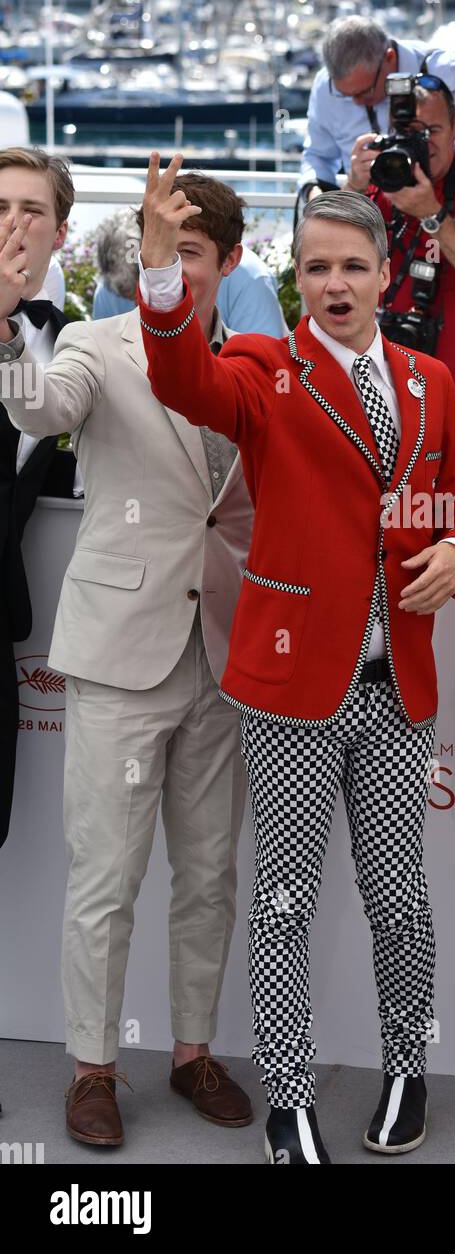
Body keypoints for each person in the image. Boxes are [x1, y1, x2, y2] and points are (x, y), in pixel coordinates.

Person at [136, 164, 455, 1164]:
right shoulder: (261, 368)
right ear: (297, 281)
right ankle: (287, 1095)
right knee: (285, 897)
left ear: (386, 274)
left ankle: (407, 1074)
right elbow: (180, 379)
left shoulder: (427, 385)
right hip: (291, 694)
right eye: (316, 267)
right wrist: (164, 271)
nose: (335, 283)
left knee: (400, 899)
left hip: (398, 694)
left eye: (352, 265)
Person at [0, 167, 256, 1148]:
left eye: (187, 251)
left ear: (229, 264)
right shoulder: (93, 346)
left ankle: (192, 1052)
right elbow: (35, 409)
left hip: (221, 653)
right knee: (106, 875)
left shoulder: (252, 360)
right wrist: (1, 325)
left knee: (209, 875)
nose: (170, 268)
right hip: (119, 651)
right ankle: (93, 1067)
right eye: (156, 248)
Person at [345, 75, 455, 473]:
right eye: (408, 132)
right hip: (375, 385)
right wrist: (354, 187)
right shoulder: (380, 185)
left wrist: (431, 213)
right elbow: (328, 261)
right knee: (375, 519)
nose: (421, 143)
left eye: (432, 131)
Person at [0, 148, 77, 854]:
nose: (15, 226)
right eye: (0, 208)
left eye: (34, 211)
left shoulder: (63, 337)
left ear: (60, 233)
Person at [298, 15, 455, 211]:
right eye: (345, 95)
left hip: (446, 211)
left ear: (389, 57)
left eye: (364, 92)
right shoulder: (325, 85)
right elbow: (317, 157)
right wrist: (316, 197)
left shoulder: (448, 74)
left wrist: (428, 190)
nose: (357, 102)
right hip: (367, 225)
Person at [91, 205, 287, 338]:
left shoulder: (249, 278)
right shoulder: (111, 285)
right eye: (132, 298)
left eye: (148, 284)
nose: (145, 302)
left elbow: (261, 375)